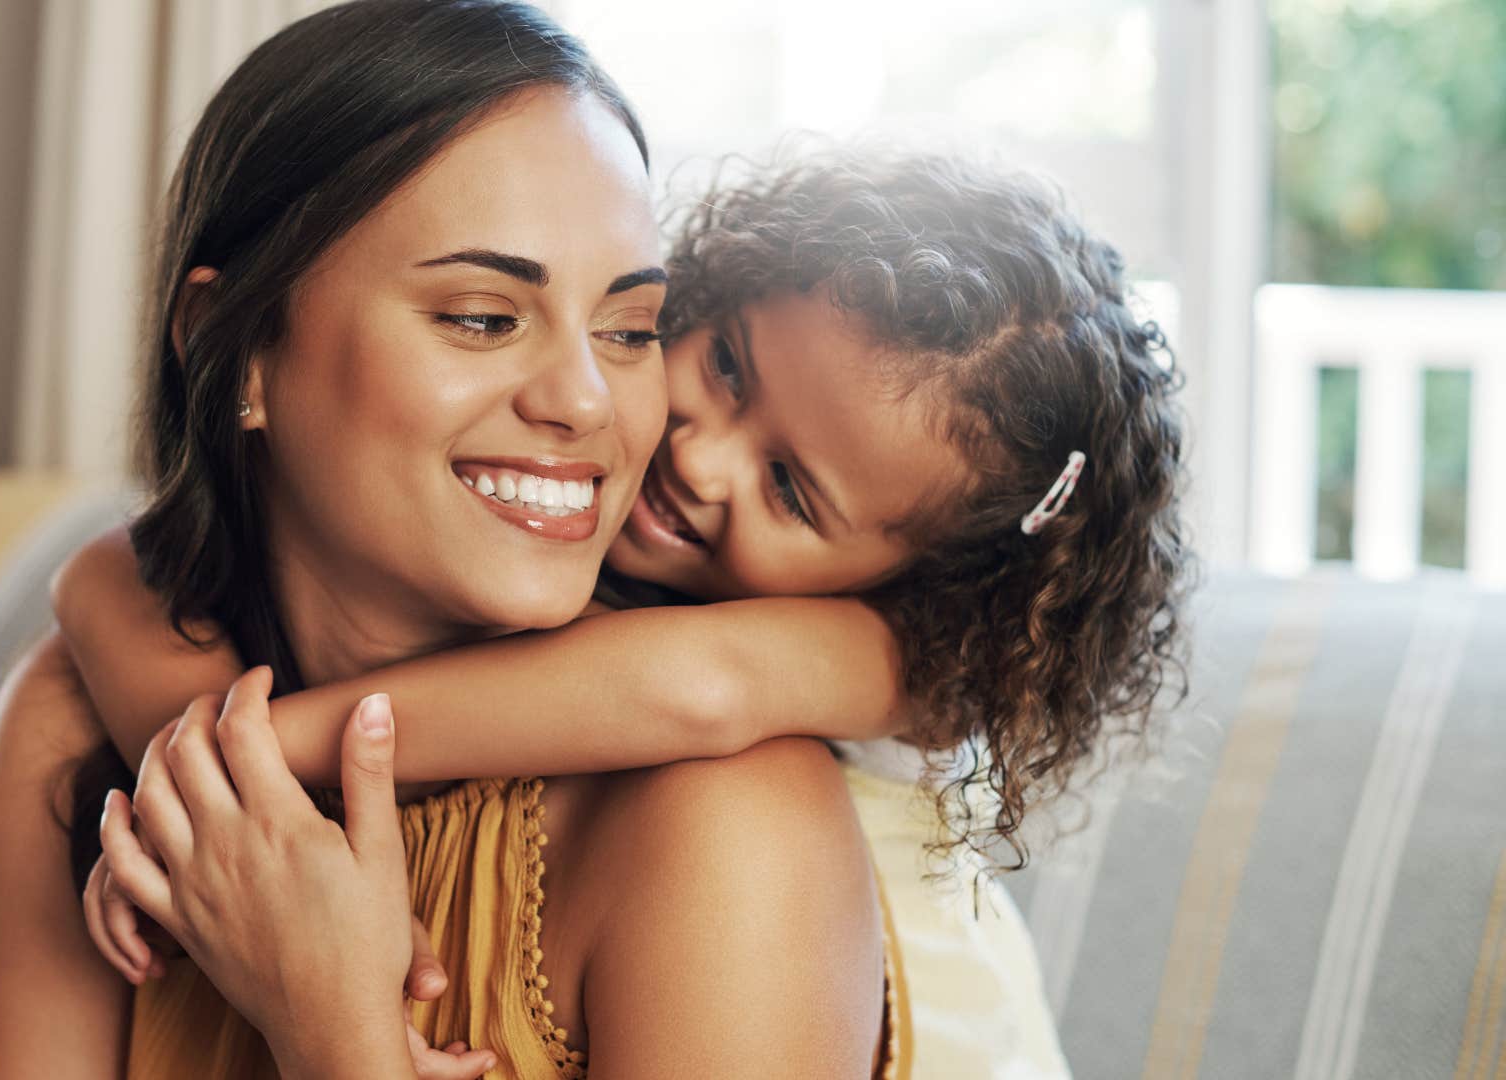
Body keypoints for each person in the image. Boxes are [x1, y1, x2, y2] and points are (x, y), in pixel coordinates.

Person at [68, 147, 1189, 1075]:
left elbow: (692, 688)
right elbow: (105, 584)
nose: (703, 458)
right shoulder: (556, 552)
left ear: (917, 583)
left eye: (790, 491)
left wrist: (260, 770)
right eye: (731, 367)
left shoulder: (901, 659)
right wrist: (207, 809)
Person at [0, 2, 891, 1077]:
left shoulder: (730, 822)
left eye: (630, 330)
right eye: (484, 317)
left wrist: (336, 1032)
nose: (588, 401)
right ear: (235, 347)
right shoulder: (77, 731)